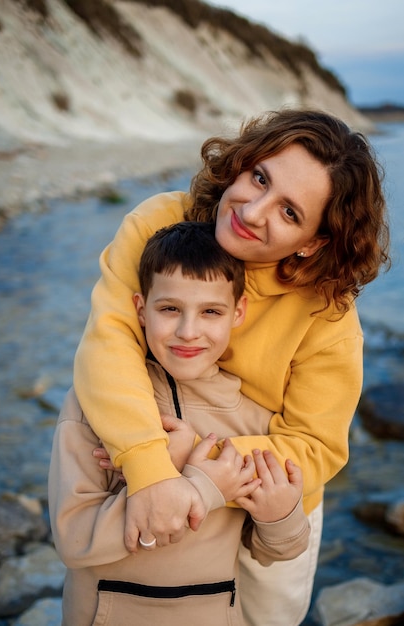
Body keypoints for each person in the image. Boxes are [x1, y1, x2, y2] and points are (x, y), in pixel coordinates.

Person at [73, 109, 390, 625]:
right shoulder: (159, 225)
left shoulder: (327, 314)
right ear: (241, 164)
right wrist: (150, 469)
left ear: (314, 242)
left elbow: (316, 445)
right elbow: (109, 343)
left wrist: (197, 459)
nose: (253, 210)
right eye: (259, 178)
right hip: (157, 470)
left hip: (265, 508)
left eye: (290, 213)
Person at [48, 221, 310, 626]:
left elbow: (273, 550)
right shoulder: (93, 403)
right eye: (170, 309)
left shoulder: (254, 419)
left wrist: (279, 515)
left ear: (237, 313)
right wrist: (198, 488)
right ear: (140, 309)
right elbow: (73, 540)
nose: (189, 332)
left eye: (211, 312)